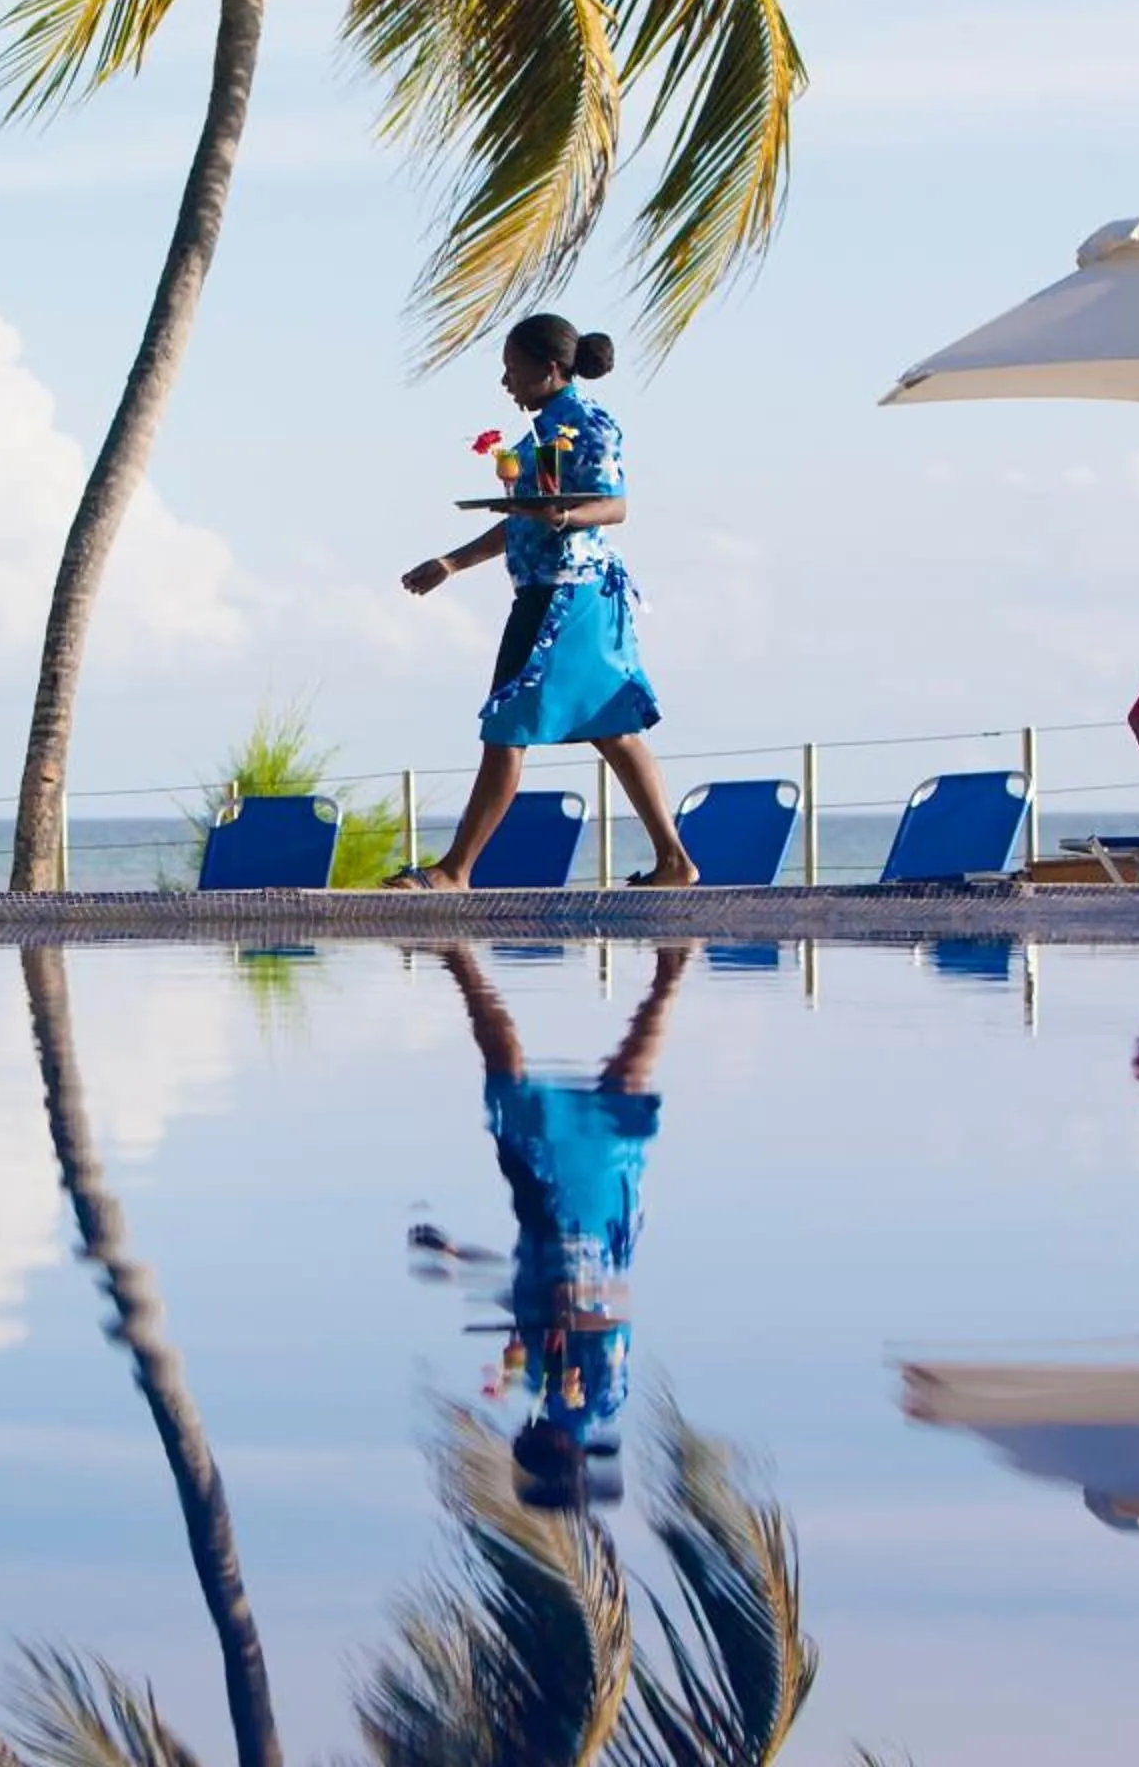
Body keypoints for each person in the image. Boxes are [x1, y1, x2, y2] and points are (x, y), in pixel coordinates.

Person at [393, 315, 697, 889]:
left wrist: (562, 516)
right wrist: (451, 563)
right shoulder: (541, 433)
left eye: (513, 369)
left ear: (550, 369)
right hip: (554, 590)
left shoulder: (587, 424)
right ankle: (674, 862)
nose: (506, 382)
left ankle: (455, 870)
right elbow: (521, 522)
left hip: (566, 598)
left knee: (508, 728)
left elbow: (613, 505)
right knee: (611, 727)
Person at [410, 941, 688, 1508]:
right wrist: (569, 1305)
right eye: (525, 1455)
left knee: (602, 1092)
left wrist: (459, 1257)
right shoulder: (594, 1398)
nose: (516, 1443)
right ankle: (462, 961)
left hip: (555, 1228)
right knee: (566, 1094)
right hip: (577, 1229)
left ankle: (668, 974)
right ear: (550, 1454)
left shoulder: (546, 1393)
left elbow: (526, 1296)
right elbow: (607, 1310)